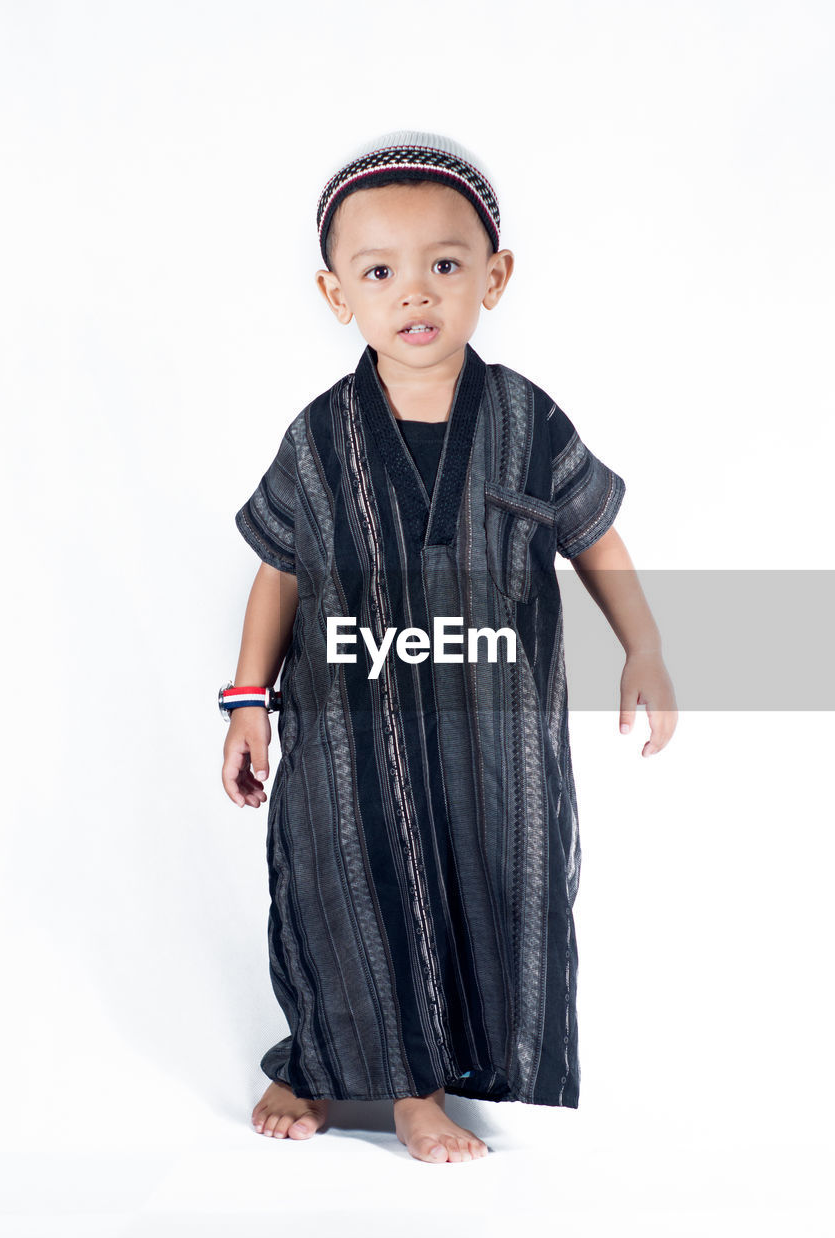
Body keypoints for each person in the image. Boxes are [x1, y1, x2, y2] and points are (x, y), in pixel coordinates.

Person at [220, 130, 678, 1164]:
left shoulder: (523, 421)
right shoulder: (317, 437)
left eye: (443, 263)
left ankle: (348, 1066)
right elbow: (278, 568)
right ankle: (401, 1090)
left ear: (493, 276)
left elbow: (592, 533)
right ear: (337, 293)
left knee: (499, 881)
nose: (412, 292)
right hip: (345, 734)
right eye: (378, 271)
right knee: (342, 885)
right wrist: (245, 698)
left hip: (492, 738)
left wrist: (643, 645)